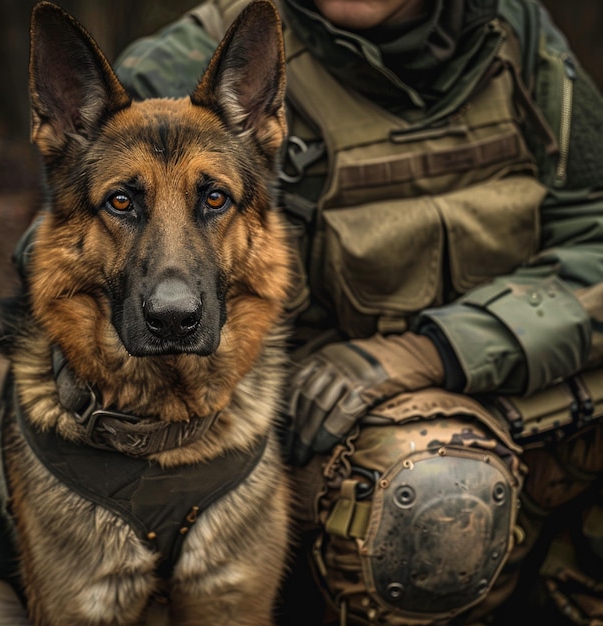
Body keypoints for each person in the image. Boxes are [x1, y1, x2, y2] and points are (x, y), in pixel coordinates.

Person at [79, 0, 603, 623]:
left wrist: (438, 349)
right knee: (431, 485)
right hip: (343, 437)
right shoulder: (209, 60)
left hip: (511, 381)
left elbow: (592, 233)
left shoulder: (512, 34)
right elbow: (73, 267)